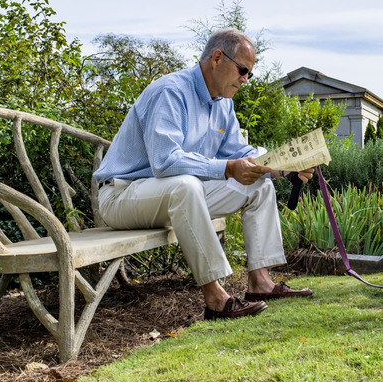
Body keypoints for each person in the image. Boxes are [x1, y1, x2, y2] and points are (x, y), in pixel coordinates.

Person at [93, 28, 314, 320]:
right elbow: (165, 161)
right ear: (217, 58)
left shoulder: (224, 104)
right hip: (123, 196)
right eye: (243, 70)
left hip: (177, 197)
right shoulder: (171, 92)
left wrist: (282, 166)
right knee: (185, 185)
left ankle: (260, 283)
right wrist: (225, 168)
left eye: (250, 73)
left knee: (257, 186)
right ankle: (216, 299)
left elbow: (239, 153)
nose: (245, 80)